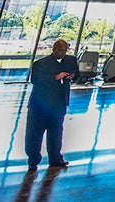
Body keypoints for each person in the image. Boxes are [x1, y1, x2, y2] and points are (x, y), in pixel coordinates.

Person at [25, 39, 79, 170]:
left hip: (59, 105)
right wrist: (56, 77)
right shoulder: (40, 64)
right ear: (54, 49)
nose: (62, 53)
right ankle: (33, 160)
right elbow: (36, 80)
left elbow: (78, 74)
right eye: (60, 50)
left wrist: (72, 76)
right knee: (35, 134)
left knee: (56, 133)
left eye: (64, 50)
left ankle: (55, 159)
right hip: (40, 105)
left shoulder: (70, 61)